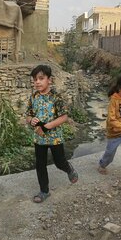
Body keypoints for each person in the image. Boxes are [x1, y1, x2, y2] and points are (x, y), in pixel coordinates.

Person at [25, 65, 78, 203]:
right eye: (35, 79)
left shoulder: (56, 97)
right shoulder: (33, 97)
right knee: (40, 164)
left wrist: (47, 127)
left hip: (55, 138)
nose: (37, 82)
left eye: (41, 78)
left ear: (50, 80)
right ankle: (44, 191)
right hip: (39, 138)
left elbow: (64, 117)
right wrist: (32, 121)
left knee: (59, 162)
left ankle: (68, 168)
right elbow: (28, 116)